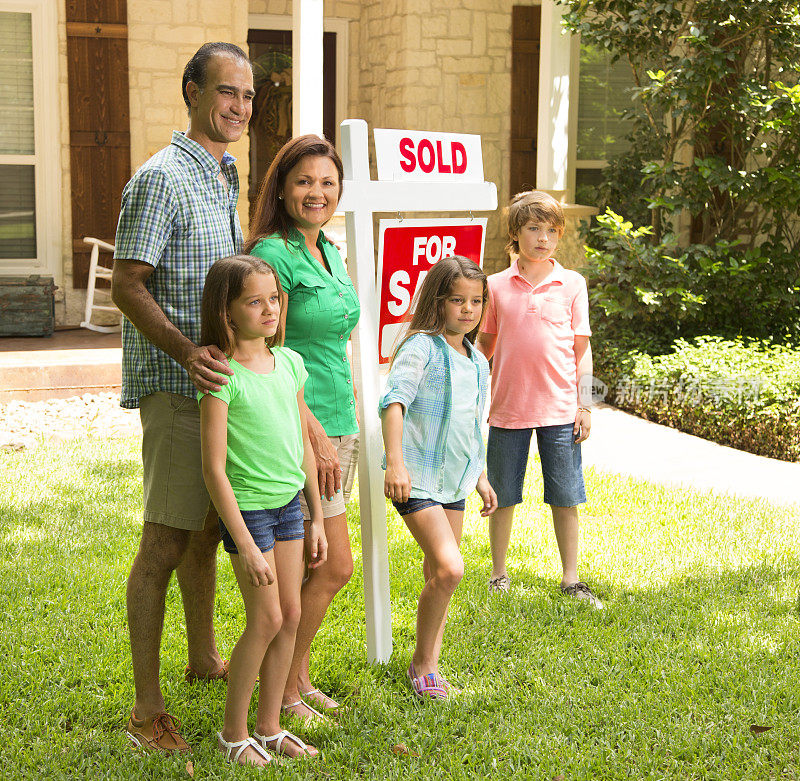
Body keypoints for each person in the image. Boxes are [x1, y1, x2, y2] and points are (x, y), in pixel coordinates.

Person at [111, 42, 255, 751]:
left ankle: (203, 657)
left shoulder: (221, 175)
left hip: (215, 389)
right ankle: (145, 711)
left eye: (249, 97)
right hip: (176, 386)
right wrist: (186, 351)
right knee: (164, 542)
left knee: (201, 530)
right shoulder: (163, 177)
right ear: (193, 91)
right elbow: (127, 283)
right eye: (227, 92)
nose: (239, 107)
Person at [244, 135, 359, 720]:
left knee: (319, 561)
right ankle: (285, 689)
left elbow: (335, 341)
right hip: (303, 426)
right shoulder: (274, 254)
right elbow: (271, 353)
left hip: (344, 422)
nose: (317, 193)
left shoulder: (330, 251)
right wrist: (310, 430)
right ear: (283, 188)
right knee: (334, 564)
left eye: (328, 183)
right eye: (305, 182)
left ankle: (297, 675)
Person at [198, 255, 327, 765]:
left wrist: (316, 515)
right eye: (254, 301)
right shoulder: (221, 377)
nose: (269, 308)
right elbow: (214, 471)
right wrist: (246, 545)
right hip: (250, 514)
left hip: (290, 506)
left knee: (291, 613)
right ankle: (234, 736)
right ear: (227, 313)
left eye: (273, 298)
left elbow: (301, 447)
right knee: (267, 617)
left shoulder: (290, 363)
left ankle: (269, 726)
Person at [476, 191, 602, 608]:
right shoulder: (494, 285)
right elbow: (485, 346)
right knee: (502, 494)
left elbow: (582, 351)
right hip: (508, 409)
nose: (543, 238)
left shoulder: (572, 284)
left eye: (551, 230)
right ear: (516, 233)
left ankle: (571, 577)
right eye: (533, 228)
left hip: (561, 407)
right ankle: (498, 573)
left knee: (566, 495)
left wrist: (585, 405)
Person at [380, 256, 497, 700]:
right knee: (450, 570)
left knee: (437, 571)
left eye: (475, 301)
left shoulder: (477, 359)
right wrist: (396, 462)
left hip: (455, 480)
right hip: (416, 478)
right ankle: (422, 664)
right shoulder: (421, 348)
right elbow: (394, 403)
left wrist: (481, 478)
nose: (468, 310)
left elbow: (472, 425)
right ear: (438, 300)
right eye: (457, 300)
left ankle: (429, 662)